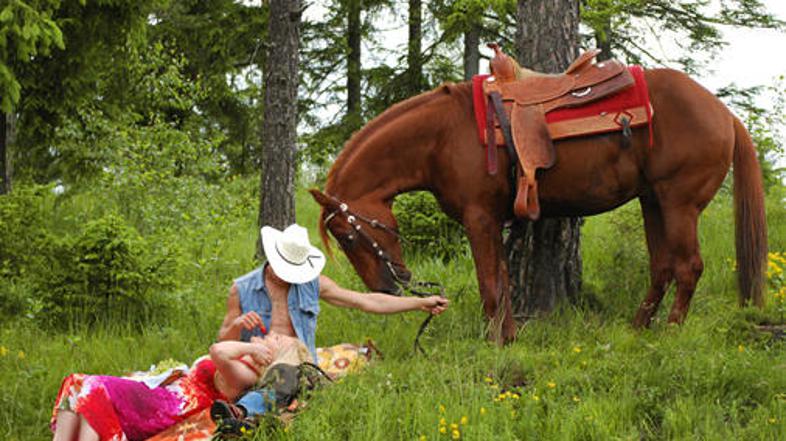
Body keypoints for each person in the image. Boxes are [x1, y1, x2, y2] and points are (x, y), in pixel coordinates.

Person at [212, 223, 449, 426]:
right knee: (234, 375)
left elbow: (365, 301)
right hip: (256, 363)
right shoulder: (242, 289)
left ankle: (244, 412)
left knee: (289, 372)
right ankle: (258, 409)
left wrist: (419, 302)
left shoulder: (312, 284)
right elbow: (223, 340)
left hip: (297, 364)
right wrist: (238, 324)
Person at [50, 337, 288, 441]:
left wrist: (250, 348)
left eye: (277, 339)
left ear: (274, 356)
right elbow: (221, 345)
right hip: (167, 393)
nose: (269, 334)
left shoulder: (248, 375)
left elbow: (217, 350)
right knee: (75, 381)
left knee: (94, 388)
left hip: (175, 406)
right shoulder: (241, 358)